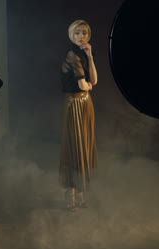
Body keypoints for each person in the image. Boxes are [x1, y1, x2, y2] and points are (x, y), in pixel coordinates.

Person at [59, 20, 98, 212]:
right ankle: (71, 196)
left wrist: (90, 57)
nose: (81, 36)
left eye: (84, 33)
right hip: (75, 103)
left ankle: (80, 195)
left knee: (84, 147)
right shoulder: (72, 54)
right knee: (75, 148)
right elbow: (84, 85)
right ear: (71, 35)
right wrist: (88, 86)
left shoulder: (83, 53)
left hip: (85, 103)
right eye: (77, 33)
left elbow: (94, 81)